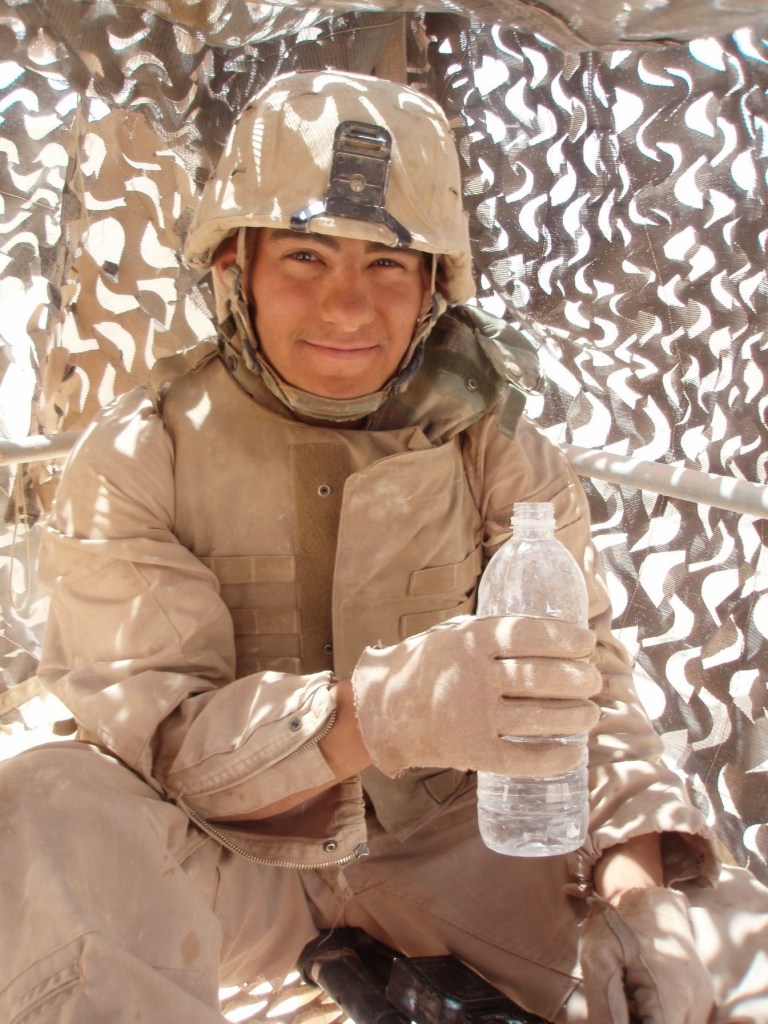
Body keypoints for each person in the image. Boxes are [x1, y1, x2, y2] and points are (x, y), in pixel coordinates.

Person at [0, 69, 766, 1024]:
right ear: (237, 268)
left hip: (463, 845)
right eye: (307, 258)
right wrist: (384, 713)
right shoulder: (139, 453)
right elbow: (167, 743)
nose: (350, 308)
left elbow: (591, 684)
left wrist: (642, 903)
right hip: (234, 863)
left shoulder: (492, 443)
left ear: (435, 290)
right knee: (45, 795)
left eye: (389, 266)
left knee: (733, 960)